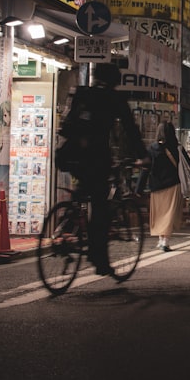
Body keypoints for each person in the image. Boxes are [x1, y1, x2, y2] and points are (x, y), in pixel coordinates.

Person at [59, 63, 145, 275]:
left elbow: (67, 122)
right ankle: (99, 258)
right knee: (101, 207)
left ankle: (65, 226)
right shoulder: (114, 99)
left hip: (70, 154)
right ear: (115, 81)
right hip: (96, 157)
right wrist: (142, 155)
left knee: (83, 188)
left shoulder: (82, 93)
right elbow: (130, 129)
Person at [145, 121, 187, 251]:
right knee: (169, 214)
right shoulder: (178, 148)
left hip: (156, 186)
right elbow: (188, 164)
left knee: (159, 214)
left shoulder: (152, 149)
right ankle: (165, 241)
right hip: (173, 185)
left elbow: (145, 169)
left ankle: (160, 240)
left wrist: (138, 188)